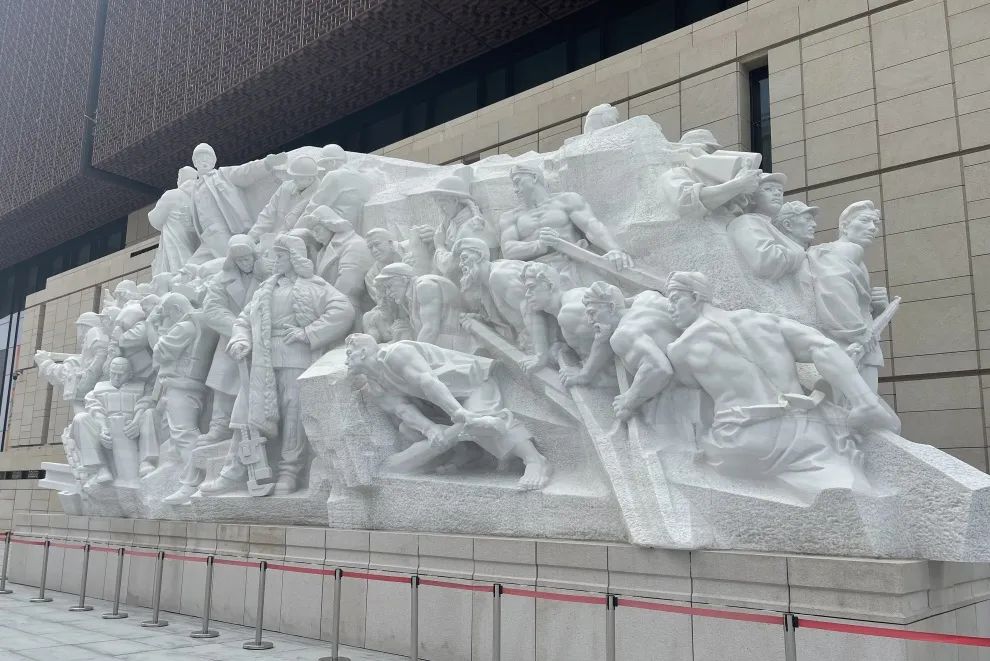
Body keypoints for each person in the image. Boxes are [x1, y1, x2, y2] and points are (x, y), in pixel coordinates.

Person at [663, 271, 898, 490]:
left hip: (738, 440)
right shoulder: (765, 322)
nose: (670, 308)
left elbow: (694, 395)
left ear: (696, 297)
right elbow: (824, 348)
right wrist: (862, 399)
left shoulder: (680, 349)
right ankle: (865, 408)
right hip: (800, 430)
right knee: (851, 485)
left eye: (674, 299)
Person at [223, 233, 355, 495]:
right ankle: (234, 469)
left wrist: (307, 333)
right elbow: (243, 321)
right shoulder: (265, 289)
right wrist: (241, 340)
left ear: (294, 258)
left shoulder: (314, 286)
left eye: (280, 255)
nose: (274, 260)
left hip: (296, 357)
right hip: (262, 360)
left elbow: (343, 310)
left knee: (294, 413)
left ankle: (289, 472)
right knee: (246, 411)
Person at [344, 333, 552, 489]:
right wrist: (430, 429)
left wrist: (460, 413)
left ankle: (535, 460)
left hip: (470, 384)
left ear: (363, 352)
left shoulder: (396, 354)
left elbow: (427, 381)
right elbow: (402, 409)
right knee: (408, 429)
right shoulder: (375, 385)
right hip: (441, 405)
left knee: (480, 415)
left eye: (349, 353)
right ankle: (469, 453)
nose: (346, 361)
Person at [498, 163, 633, 289]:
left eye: (517, 182)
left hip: (573, 262)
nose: (515, 190)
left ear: (534, 177)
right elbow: (508, 249)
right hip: (536, 273)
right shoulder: (510, 217)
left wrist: (614, 249)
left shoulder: (567, 200)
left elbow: (591, 226)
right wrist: (539, 245)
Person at [807, 201, 889, 392]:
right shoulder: (844, 251)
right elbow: (833, 293)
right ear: (844, 226)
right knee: (860, 404)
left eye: (875, 223)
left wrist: (877, 310)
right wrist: (858, 332)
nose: (873, 228)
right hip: (851, 345)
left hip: (855, 343)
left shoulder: (854, 257)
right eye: (865, 220)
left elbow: (851, 304)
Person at [72, 357, 156, 488]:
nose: (116, 377)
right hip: (107, 431)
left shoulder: (141, 387)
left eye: (121, 374)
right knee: (80, 418)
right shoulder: (96, 391)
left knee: (150, 413)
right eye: (113, 373)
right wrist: (103, 429)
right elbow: (95, 410)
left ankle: (146, 461)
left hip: (133, 428)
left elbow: (145, 403)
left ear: (130, 374)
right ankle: (101, 468)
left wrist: (136, 422)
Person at [187, 142, 280, 259]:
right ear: (195, 162)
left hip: (224, 230)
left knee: (231, 261)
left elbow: (244, 172)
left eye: (208, 157)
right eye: (200, 157)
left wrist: (266, 163)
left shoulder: (222, 175)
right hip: (207, 237)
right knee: (190, 267)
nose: (204, 160)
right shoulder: (193, 189)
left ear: (214, 162)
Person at [410, 174, 496, 283]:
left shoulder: (473, 226)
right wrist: (432, 240)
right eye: (439, 206)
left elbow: (451, 268)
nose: (441, 211)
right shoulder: (452, 222)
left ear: (455, 201)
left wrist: (439, 245)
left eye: (443, 206)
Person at [297, 203, 374, 317]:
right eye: (312, 232)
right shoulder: (323, 251)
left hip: (347, 311)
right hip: (329, 308)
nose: (315, 235)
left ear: (330, 225)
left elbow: (348, 288)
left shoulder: (354, 245)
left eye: (317, 230)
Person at [373, 263, 469, 351]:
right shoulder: (411, 297)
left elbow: (430, 330)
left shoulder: (424, 286)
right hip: (441, 344)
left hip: (454, 345)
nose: (388, 293)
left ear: (404, 280)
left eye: (389, 286)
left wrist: (414, 354)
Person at [35, 312, 109, 417]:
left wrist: (45, 363)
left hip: (91, 405)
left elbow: (63, 376)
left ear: (83, 328)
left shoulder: (93, 336)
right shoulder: (98, 354)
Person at [249, 155, 321, 239]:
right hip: (271, 238)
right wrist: (251, 237)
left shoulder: (318, 198)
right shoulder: (285, 188)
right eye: (293, 177)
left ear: (310, 178)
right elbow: (267, 215)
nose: (294, 181)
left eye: (298, 178)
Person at [148, 166, 199, 275]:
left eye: (179, 177)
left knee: (175, 271)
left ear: (181, 178)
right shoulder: (199, 198)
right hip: (195, 244)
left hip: (174, 241)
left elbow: (155, 219)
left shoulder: (172, 194)